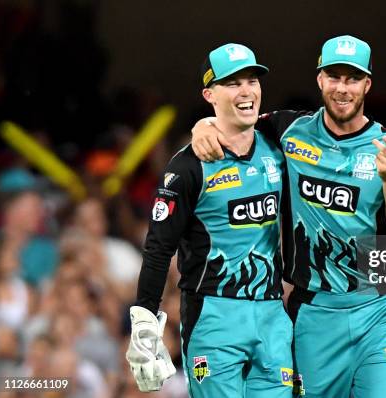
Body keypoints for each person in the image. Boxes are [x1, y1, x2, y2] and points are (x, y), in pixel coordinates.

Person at [191, 35, 386, 398]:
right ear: (319, 79)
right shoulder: (286, 130)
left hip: (376, 312)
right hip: (312, 314)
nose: (342, 88)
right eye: (334, 77)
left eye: (352, 79)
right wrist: (204, 126)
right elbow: (236, 122)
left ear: (367, 84)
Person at [126, 43, 293, 397]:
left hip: (272, 315)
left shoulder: (279, 146)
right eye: (233, 83)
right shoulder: (186, 168)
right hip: (212, 317)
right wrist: (144, 321)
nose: (246, 90)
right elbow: (158, 248)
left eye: (252, 80)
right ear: (209, 94)